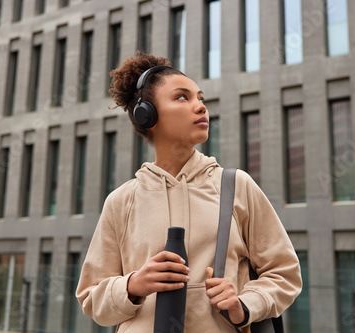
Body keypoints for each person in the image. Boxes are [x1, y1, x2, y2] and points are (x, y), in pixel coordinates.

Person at [76, 52, 302, 332]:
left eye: (201, 98)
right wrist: (133, 285)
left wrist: (244, 305)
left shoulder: (236, 186)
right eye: (183, 97)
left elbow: (284, 274)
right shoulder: (121, 201)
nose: (200, 107)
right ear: (148, 115)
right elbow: (90, 297)